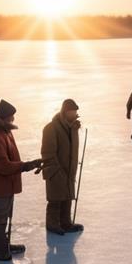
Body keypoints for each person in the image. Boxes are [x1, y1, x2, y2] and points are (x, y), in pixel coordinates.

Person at [0, 99, 42, 261]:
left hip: (5, 183)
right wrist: (25, 166)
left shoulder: (3, 131)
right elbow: (1, 165)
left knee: (4, 215)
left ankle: (3, 245)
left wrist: (27, 165)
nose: (13, 120)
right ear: (5, 116)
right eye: (11, 117)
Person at [41, 98, 85, 235]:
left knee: (67, 197)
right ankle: (52, 224)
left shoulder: (73, 128)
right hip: (55, 170)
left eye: (75, 112)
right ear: (65, 112)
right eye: (72, 111)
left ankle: (66, 223)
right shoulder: (51, 128)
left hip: (69, 169)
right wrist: (56, 170)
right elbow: (48, 153)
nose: (74, 114)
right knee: (56, 198)